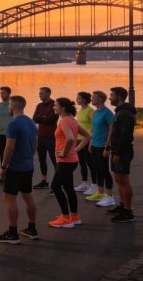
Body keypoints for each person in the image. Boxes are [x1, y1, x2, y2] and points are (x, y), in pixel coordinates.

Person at [0, 96, 39, 244]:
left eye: (9, 105)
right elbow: (34, 146)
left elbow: (9, 147)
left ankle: (12, 234)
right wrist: (28, 157)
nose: (7, 108)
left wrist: (3, 167)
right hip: (28, 165)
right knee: (28, 196)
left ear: (14, 106)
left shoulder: (13, 123)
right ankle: (32, 229)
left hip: (16, 167)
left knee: (9, 197)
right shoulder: (31, 122)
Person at [48, 97, 92, 228]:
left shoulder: (64, 122)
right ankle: (75, 217)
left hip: (66, 160)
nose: (53, 107)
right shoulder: (73, 120)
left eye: (55, 105)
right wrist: (75, 150)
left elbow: (71, 139)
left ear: (63, 108)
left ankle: (66, 219)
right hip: (72, 160)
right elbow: (88, 136)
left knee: (55, 187)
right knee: (68, 188)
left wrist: (65, 152)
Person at [105, 86, 137, 223]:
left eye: (112, 95)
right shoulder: (119, 112)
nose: (110, 97)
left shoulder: (125, 113)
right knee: (118, 180)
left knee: (124, 181)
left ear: (118, 96)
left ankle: (128, 212)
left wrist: (117, 152)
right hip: (117, 150)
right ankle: (122, 206)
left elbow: (126, 136)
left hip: (122, 152)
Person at [86, 91, 116, 206]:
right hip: (94, 145)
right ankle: (100, 193)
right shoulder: (96, 112)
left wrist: (107, 147)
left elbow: (111, 131)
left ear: (100, 99)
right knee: (97, 169)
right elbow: (93, 128)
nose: (92, 100)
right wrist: (90, 142)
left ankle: (110, 197)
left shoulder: (107, 113)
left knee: (104, 170)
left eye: (93, 98)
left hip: (103, 146)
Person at [32, 87, 58, 189]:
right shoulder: (39, 105)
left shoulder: (55, 104)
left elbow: (52, 119)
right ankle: (44, 181)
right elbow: (34, 118)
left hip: (51, 136)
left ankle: (57, 183)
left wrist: (41, 118)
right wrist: (44, 118)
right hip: (41, 136)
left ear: (48, 93)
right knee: (41, 159)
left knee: (54, 160)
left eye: (42, 93)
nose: (40, 95)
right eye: (40, 93)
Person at [74, 92, 96, 194]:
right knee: (82, 163)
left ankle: (94, 185)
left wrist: (90, 138)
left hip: (87, 140)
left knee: (90, 163)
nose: (76, 100)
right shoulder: (80, 110)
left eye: (78, 98)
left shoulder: (90, 110)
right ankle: (85, 183)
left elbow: (93, 125)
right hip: (78, 139)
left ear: (84, 99)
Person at [0, 86, 13, 185]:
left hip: (10, 135)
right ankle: (3, 176)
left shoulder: (13, 105)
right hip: (0, 134)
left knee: (10, 155)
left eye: (3, 93)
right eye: (0, 93)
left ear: (9, 94)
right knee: (2, 154)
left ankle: (11, 176)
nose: (1, 95)